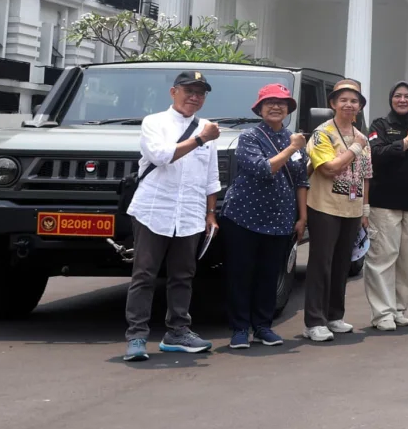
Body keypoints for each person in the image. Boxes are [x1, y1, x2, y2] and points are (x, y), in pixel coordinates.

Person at [122, 70, 221, 361]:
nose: (194, 97)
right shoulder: (155, 122)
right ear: (173, 92)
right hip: (154, 209)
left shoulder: (207, 128)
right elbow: (161, 156)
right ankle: (137, 336)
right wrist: (201, 139)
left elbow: (211, 177)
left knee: (183, 275)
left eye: (200, 93)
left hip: (189, 213)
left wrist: (211, 213)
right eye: (189, 90)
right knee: (144, 274)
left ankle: (177, 331)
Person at [221, 83, 309, 348]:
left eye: (281, 103)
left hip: (280, 219)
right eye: (269, 102)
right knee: (240, 274)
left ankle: (262, 326)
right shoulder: (249, 137)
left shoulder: (295, 139)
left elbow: (302, 181)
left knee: (270, 275)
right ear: (259, 109)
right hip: (243, 218)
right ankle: (239, 329)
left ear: (288, 110)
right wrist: (292, 149)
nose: (275, 107)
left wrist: (302, 217)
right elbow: (262, 169)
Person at [303, 78, 373, 342]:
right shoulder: (323, 133)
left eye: (354, 101)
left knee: (343, 263)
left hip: (352, 209)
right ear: (332, 103)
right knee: (321, 263)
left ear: (360, 107)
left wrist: (365, 210)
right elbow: (328, 168)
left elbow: (366, 174)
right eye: (343, 100)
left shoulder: (361, 135)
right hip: (324, 206)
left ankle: (334, 316)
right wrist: (355, 147)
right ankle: (313, 321)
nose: (349, 104)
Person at [365, 81, 408, 331]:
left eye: (407, 96)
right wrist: (405, 142)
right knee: (383, 257)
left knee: (406, 260)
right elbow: (375, 155)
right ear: (391, 99)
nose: (403, 100)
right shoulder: (379, 125)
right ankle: (382, 313)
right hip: (384, 203)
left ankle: (399, 309)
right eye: (398, 96)